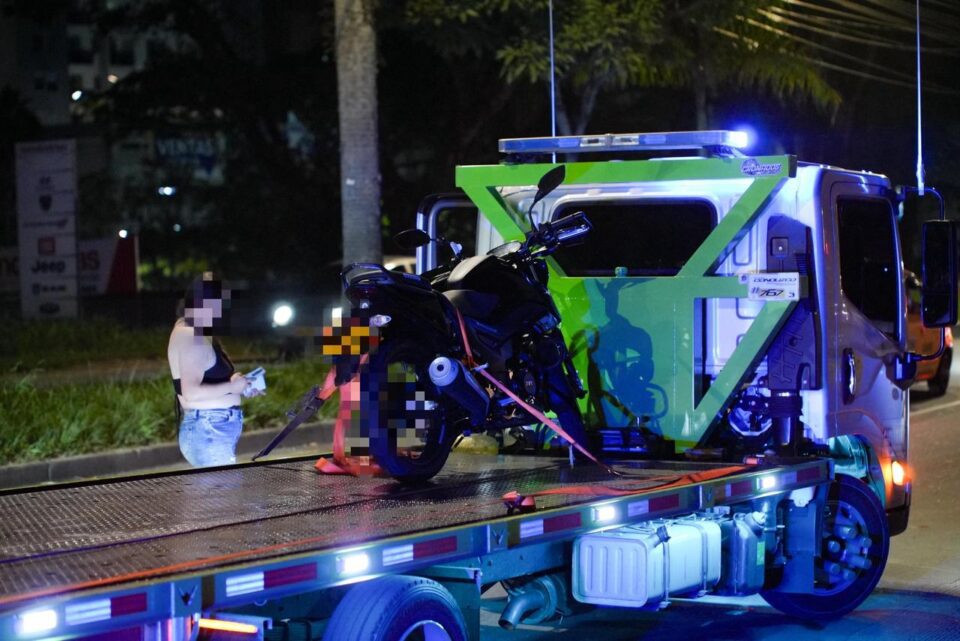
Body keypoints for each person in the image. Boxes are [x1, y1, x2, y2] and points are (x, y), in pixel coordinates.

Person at [167, 274, 260, 466]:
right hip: (209, 430)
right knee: (222, 486)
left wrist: (238, 384)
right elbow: (191, 392)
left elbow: (207, 377)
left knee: (221, 485)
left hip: (211, 429)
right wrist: (232, 387)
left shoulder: (193, 330)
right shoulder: (190, 335)